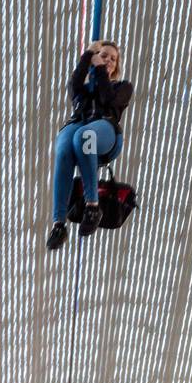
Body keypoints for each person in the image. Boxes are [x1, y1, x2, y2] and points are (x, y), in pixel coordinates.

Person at [47, 39, 132, 249]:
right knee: (64, 148)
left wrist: (100, 69)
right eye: (104, 56)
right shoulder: (82, 90)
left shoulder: (122, 87)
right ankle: (59, 223)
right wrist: (87, 56)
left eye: (113, 59)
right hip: (78, 124)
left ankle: (93, 205)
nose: (108, 61)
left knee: (84, 136)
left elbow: (106, 98)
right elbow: (74, 84)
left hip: (105, 130)